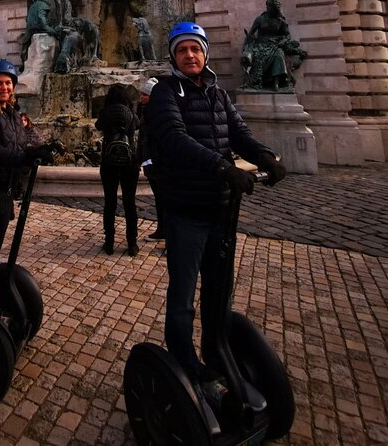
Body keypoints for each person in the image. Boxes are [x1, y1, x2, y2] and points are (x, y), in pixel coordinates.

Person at [147, 22, 286, 433]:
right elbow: (173, 138)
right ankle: (185, 360)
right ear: (173, 55)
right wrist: (223, 168)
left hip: (221, 212)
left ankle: (217, 352)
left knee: (220, 289)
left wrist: (265, 157)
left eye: (196, 49)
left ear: (205, 53)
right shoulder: (165, 92)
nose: (190, 55)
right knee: (184, 293)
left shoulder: (218, 93)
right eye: (183, 49)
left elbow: (238, 133)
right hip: (186, 210)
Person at [0, 59, 53, 309]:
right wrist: (25, 156)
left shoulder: (12, 113)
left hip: (3, 192)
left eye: (8, 83)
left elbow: (21, 143)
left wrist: (40, 149)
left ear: (13, 86)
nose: (4, 87)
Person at [95, 85, 141, 257]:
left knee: (110, 202)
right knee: (130, 203)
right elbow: (136, 127)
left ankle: (109, 243)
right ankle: (132, 244)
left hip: (109, 161)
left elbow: (98, 126)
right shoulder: (130, 113)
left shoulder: (106, 112)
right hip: (129, 162)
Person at [242, 0, 306, 91]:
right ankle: (256, 81)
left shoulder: (280, 21)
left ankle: (276, 83)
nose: (270, 9)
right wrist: (250, 40)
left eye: (273, 9)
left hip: (274, 45)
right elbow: (251, 33)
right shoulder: (260, 19)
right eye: (269, 7)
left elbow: (287, 35)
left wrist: (283, 41)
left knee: (279, 55)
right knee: (256, 56)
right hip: (260, 45)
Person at [137, 77, 165, 243]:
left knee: (164, 199)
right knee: (159, 199)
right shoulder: (146, 111)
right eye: (141, 93)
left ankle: (169, 234)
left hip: (157, 162)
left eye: (145, 94)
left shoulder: (156, 113)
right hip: (151, 161)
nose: (141, 96)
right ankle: (162, 229)